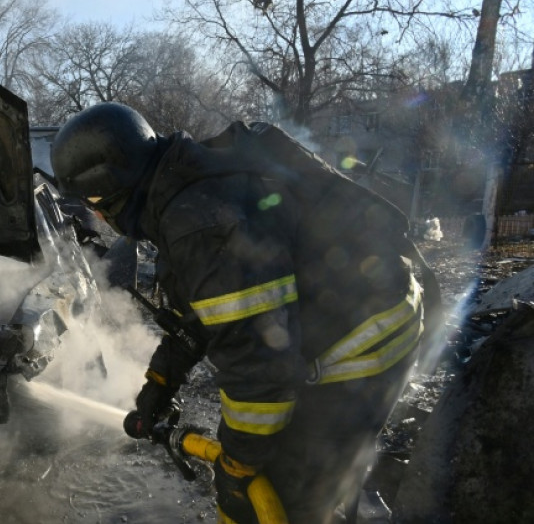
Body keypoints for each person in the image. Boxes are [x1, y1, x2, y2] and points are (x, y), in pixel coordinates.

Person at [49, 102, 438, 523]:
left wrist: (237, 465)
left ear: (107, 191)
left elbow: (260, 367)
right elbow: (202, 311)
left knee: (268, 500)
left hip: (360, 348)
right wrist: (161, 381)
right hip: (375, 313)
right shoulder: (186, 180)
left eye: (98, 208)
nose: (102, 219)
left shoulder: (196, 219)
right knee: (297, 480)